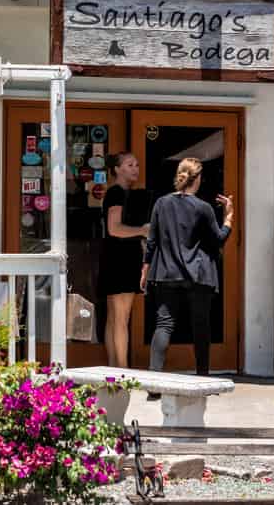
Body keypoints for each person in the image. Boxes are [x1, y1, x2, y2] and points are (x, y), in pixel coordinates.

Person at [141, 157, 234, 378]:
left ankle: (154, 382)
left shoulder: (161, 204)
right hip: (199, 275)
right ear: (198, 178)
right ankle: (202, 377)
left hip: (166, 272)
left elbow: (152, 240)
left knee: (164, 324)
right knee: (200, 326)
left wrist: (145, 268)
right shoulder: (203, 208)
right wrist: (229, 216)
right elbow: (219, 239)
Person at [98, 152, 149, 368]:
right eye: (129, 165)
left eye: (137, 164)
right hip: (121, 258)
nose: (135, 168)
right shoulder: (117, 193)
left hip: (115, 256)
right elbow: (114, 228)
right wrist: (143, 230)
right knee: (121, 317)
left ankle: (113, 367)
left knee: (114, 317)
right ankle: (122, 371)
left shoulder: (120, 193)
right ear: (117, 169)